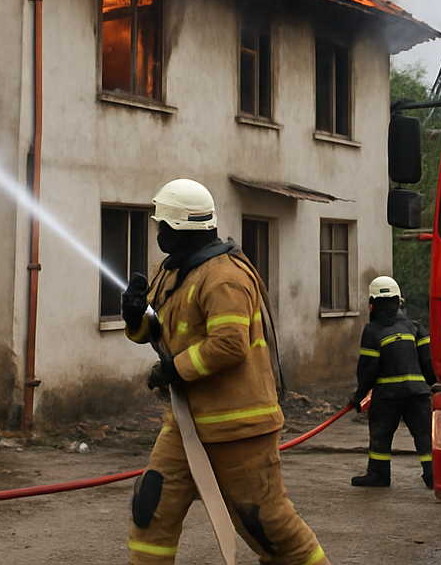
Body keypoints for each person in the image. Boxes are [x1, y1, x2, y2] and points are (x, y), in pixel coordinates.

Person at [121, 178, 330, 565]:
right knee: (151, 508)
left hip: (240, 427)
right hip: (186, 423)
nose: (157, 232)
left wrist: (173, 371)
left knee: (268, 527)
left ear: (182, 228)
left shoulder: (224, 277)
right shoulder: (169, 272)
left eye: (162, 226)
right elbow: (161, 333)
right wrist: (136, 317)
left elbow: (230, 344)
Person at [349, 275, 435, 489]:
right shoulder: (415, 327)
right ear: (399, 302)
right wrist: (435, 388)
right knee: (425, 437)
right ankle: (434, 475)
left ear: (372, 304)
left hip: (387, 396)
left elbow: (368, 369)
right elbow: (429, 363)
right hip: (418, 394)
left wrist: (359, 397)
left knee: (381, 434)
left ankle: (378, 474)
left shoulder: (372, 331)